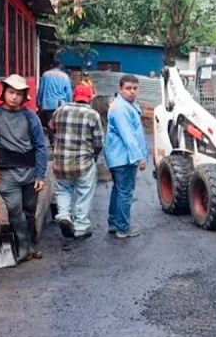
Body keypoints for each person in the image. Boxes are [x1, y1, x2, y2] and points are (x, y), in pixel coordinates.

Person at [0, 75, 48, 262]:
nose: (14, 97)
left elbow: (40, 146)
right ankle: (23, 247)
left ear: (24, 97)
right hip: (7, 173)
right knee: (15, 210)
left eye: (19, 94)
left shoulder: (31, 118)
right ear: (4, 93)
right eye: (11, 92)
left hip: (30, 171)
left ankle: (30, 245)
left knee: (29, 211)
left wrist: (40, 174)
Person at [50, 84, 104, 240]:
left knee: (63, 189)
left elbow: (51, 128)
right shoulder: (93, 115)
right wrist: (94, 156)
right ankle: (80, 227)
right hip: (83, 163)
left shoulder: (59, 111)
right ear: (90, 98)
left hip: (60, 163)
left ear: (74, 96)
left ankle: (64, 215)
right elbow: (99, 142)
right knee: (84, 192)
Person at [104, 74, 148, 239]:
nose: (132, 92)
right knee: (125, 192)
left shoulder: (124, 105)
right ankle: (123, 228)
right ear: (120, 89)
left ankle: (114, 222)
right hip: (124, 157)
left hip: (118, 156)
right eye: (128, 88)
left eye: (135, 88)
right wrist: (140, 157)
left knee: (118, 189)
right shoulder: (122, 108)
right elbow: (129, 136)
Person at [36, 59, 72, 145]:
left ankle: (52, 141)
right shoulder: (65, 76)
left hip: (48, 104)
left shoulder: (45, 75)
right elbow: (68, 92)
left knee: (49, 123)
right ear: (60, 66)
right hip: (61, 103)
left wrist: (39, 102)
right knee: (61, 122)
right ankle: (60, 140)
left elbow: (41, 89)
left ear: (52, 66)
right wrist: (70, 102)